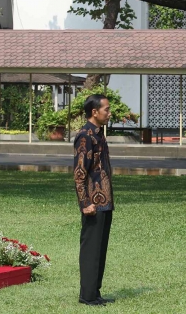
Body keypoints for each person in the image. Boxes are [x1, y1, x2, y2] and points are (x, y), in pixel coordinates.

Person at [73, 94, 115, 306]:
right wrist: (84, 203)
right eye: (106, 109)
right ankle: (87, 295)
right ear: (94, 112)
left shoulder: (99, 135)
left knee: (100, 248)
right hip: (92, 204)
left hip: (105, 201)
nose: (109, 113)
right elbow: (79, 173)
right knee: (91, 248)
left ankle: (94, 292)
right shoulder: (85, 137)